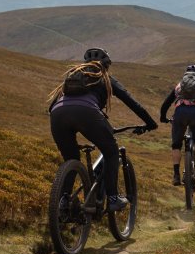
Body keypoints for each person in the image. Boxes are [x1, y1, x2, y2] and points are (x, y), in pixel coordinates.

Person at [48, 47, 157, 211]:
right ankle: (113, 198)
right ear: (106, 66)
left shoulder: (72, 77)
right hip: (88, 114)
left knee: (71, 158)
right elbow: (132, 103)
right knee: (112, 151)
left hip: (58, 114)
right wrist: (150, 123)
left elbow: (52, 107)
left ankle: (63, 201)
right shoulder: (106, 78)